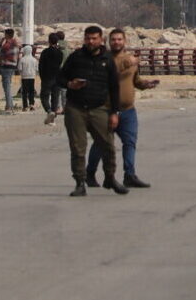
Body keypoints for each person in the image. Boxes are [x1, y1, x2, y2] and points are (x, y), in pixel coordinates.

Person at [87, 28, 158, 188]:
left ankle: (129, 175)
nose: (116, 42)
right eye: (113, 40)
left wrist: (145, 84)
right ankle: (90, 174)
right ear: (108, 42)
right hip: (106, 110)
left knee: (130, 142)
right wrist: (128, 63)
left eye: (119, 39)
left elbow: (135, 81)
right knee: (100, 143)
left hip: (128, 110)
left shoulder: (130, 60)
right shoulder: (104, 59)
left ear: (125, 41)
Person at [60, 25, 124, 196]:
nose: (90, 41)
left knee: (108, 146)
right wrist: (70, 84)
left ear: (101, 39)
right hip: (76, 108)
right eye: (88, 38)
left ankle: (110, 178)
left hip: (100, 108)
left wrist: (114, 112)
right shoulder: (76, 58)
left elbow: (114, 87)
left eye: (94, 38)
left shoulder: (108, 60)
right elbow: (60, 77)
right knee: (78, 148)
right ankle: (80, 183)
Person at [39, 32, 69, 124]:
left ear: (49, 41)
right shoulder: (60, 53)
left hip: (47, 77)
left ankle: (49, 111)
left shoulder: (45, 52)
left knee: (44, 96)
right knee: (55, 97)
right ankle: (53, 112)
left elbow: (41, 66)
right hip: (57, 77)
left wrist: (42, 76)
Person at [0, 29, 20, 112]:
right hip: (13, 67)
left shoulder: (7, 45)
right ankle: (10, 105)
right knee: (8, 86)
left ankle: (9, 106)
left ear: (7, 35)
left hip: (6, 66)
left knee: (6, 87)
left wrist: (0, 44)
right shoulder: (16, 44)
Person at [17, 42, 38, 114]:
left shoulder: (22, 59)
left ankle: (25, 106)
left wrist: (22, 73)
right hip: (32, 77)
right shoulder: (34, 60)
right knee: (31, 91)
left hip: (24, 77)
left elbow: (19, 68)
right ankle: (32, 104)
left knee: (24, 92)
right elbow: (36, 68)